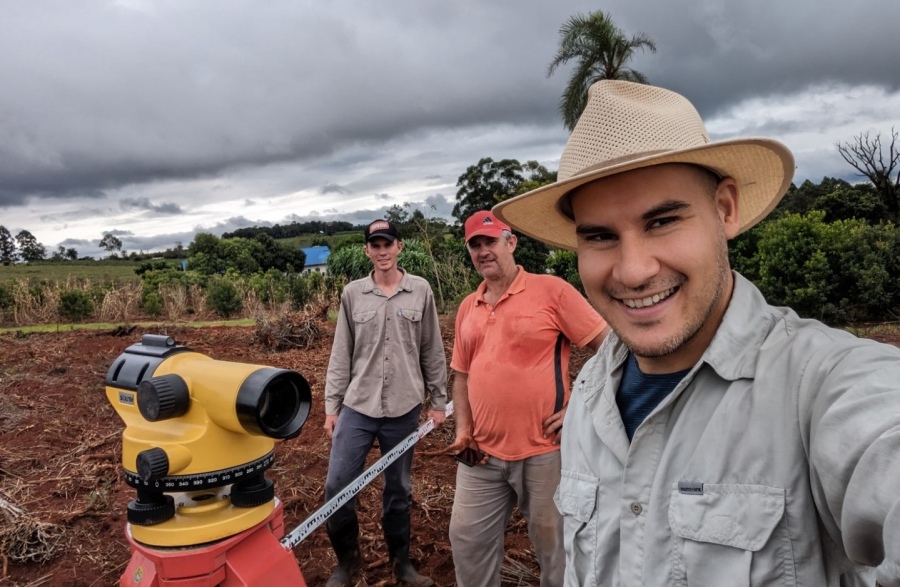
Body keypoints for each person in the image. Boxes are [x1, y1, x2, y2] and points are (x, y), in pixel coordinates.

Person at [492, 80, 900, 586]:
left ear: (725, 209)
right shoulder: (593, 393)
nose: (634, 270)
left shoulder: (821, 386)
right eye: (599, 236)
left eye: (662, 221)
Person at [446, 209, 608, 587]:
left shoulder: (552, 291)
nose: (483, 251)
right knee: (466, 539)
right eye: (475, 245)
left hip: (544, 452)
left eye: (490, 241)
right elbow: (462, 375)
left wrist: (579, 408)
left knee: (555, 547)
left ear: (511, 242)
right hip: (480, 455)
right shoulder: (469, 306)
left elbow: (611, 349)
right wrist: (463, 430)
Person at [322, 219, 447, 587]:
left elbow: (432, 349)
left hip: (404, 407)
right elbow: (340, 354)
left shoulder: (420, 291)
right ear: (367, 251)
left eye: (387, 244)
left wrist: (439, 401)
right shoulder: (352, 294)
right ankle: (348, 562)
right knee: (337, 485)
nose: (382, 251)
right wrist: (332, 407)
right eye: (375, 245)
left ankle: (401, 564)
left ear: (399, 247)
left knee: (399, 489)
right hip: (358, 406)